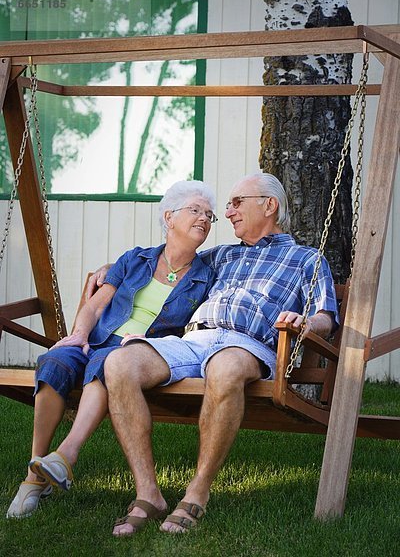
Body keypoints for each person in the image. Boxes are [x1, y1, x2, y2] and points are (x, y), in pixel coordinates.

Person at [88, 172, 339, 537]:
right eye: (228, 206)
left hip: (248, 345)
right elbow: (168, 260)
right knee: (120, 362)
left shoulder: (305, 259)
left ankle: (196, 492)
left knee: (224, 367)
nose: (228, 212)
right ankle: (148, 493)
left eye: (237, 203)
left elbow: (326, 316)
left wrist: (304, 322)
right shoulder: (221, 256)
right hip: (194, 340)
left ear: (269, 206)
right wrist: (117, 270)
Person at [6, 180, 217, 519]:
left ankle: (65, 457)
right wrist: (78, 334)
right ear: (169, 217)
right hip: (99, 337)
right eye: (195, 210)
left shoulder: (206, 277)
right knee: (55, 362)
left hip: (137, 351)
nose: (204, 218)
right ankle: (36, 472)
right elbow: (95, 306)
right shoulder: (135, 259)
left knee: (107, 364)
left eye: (209, 214)